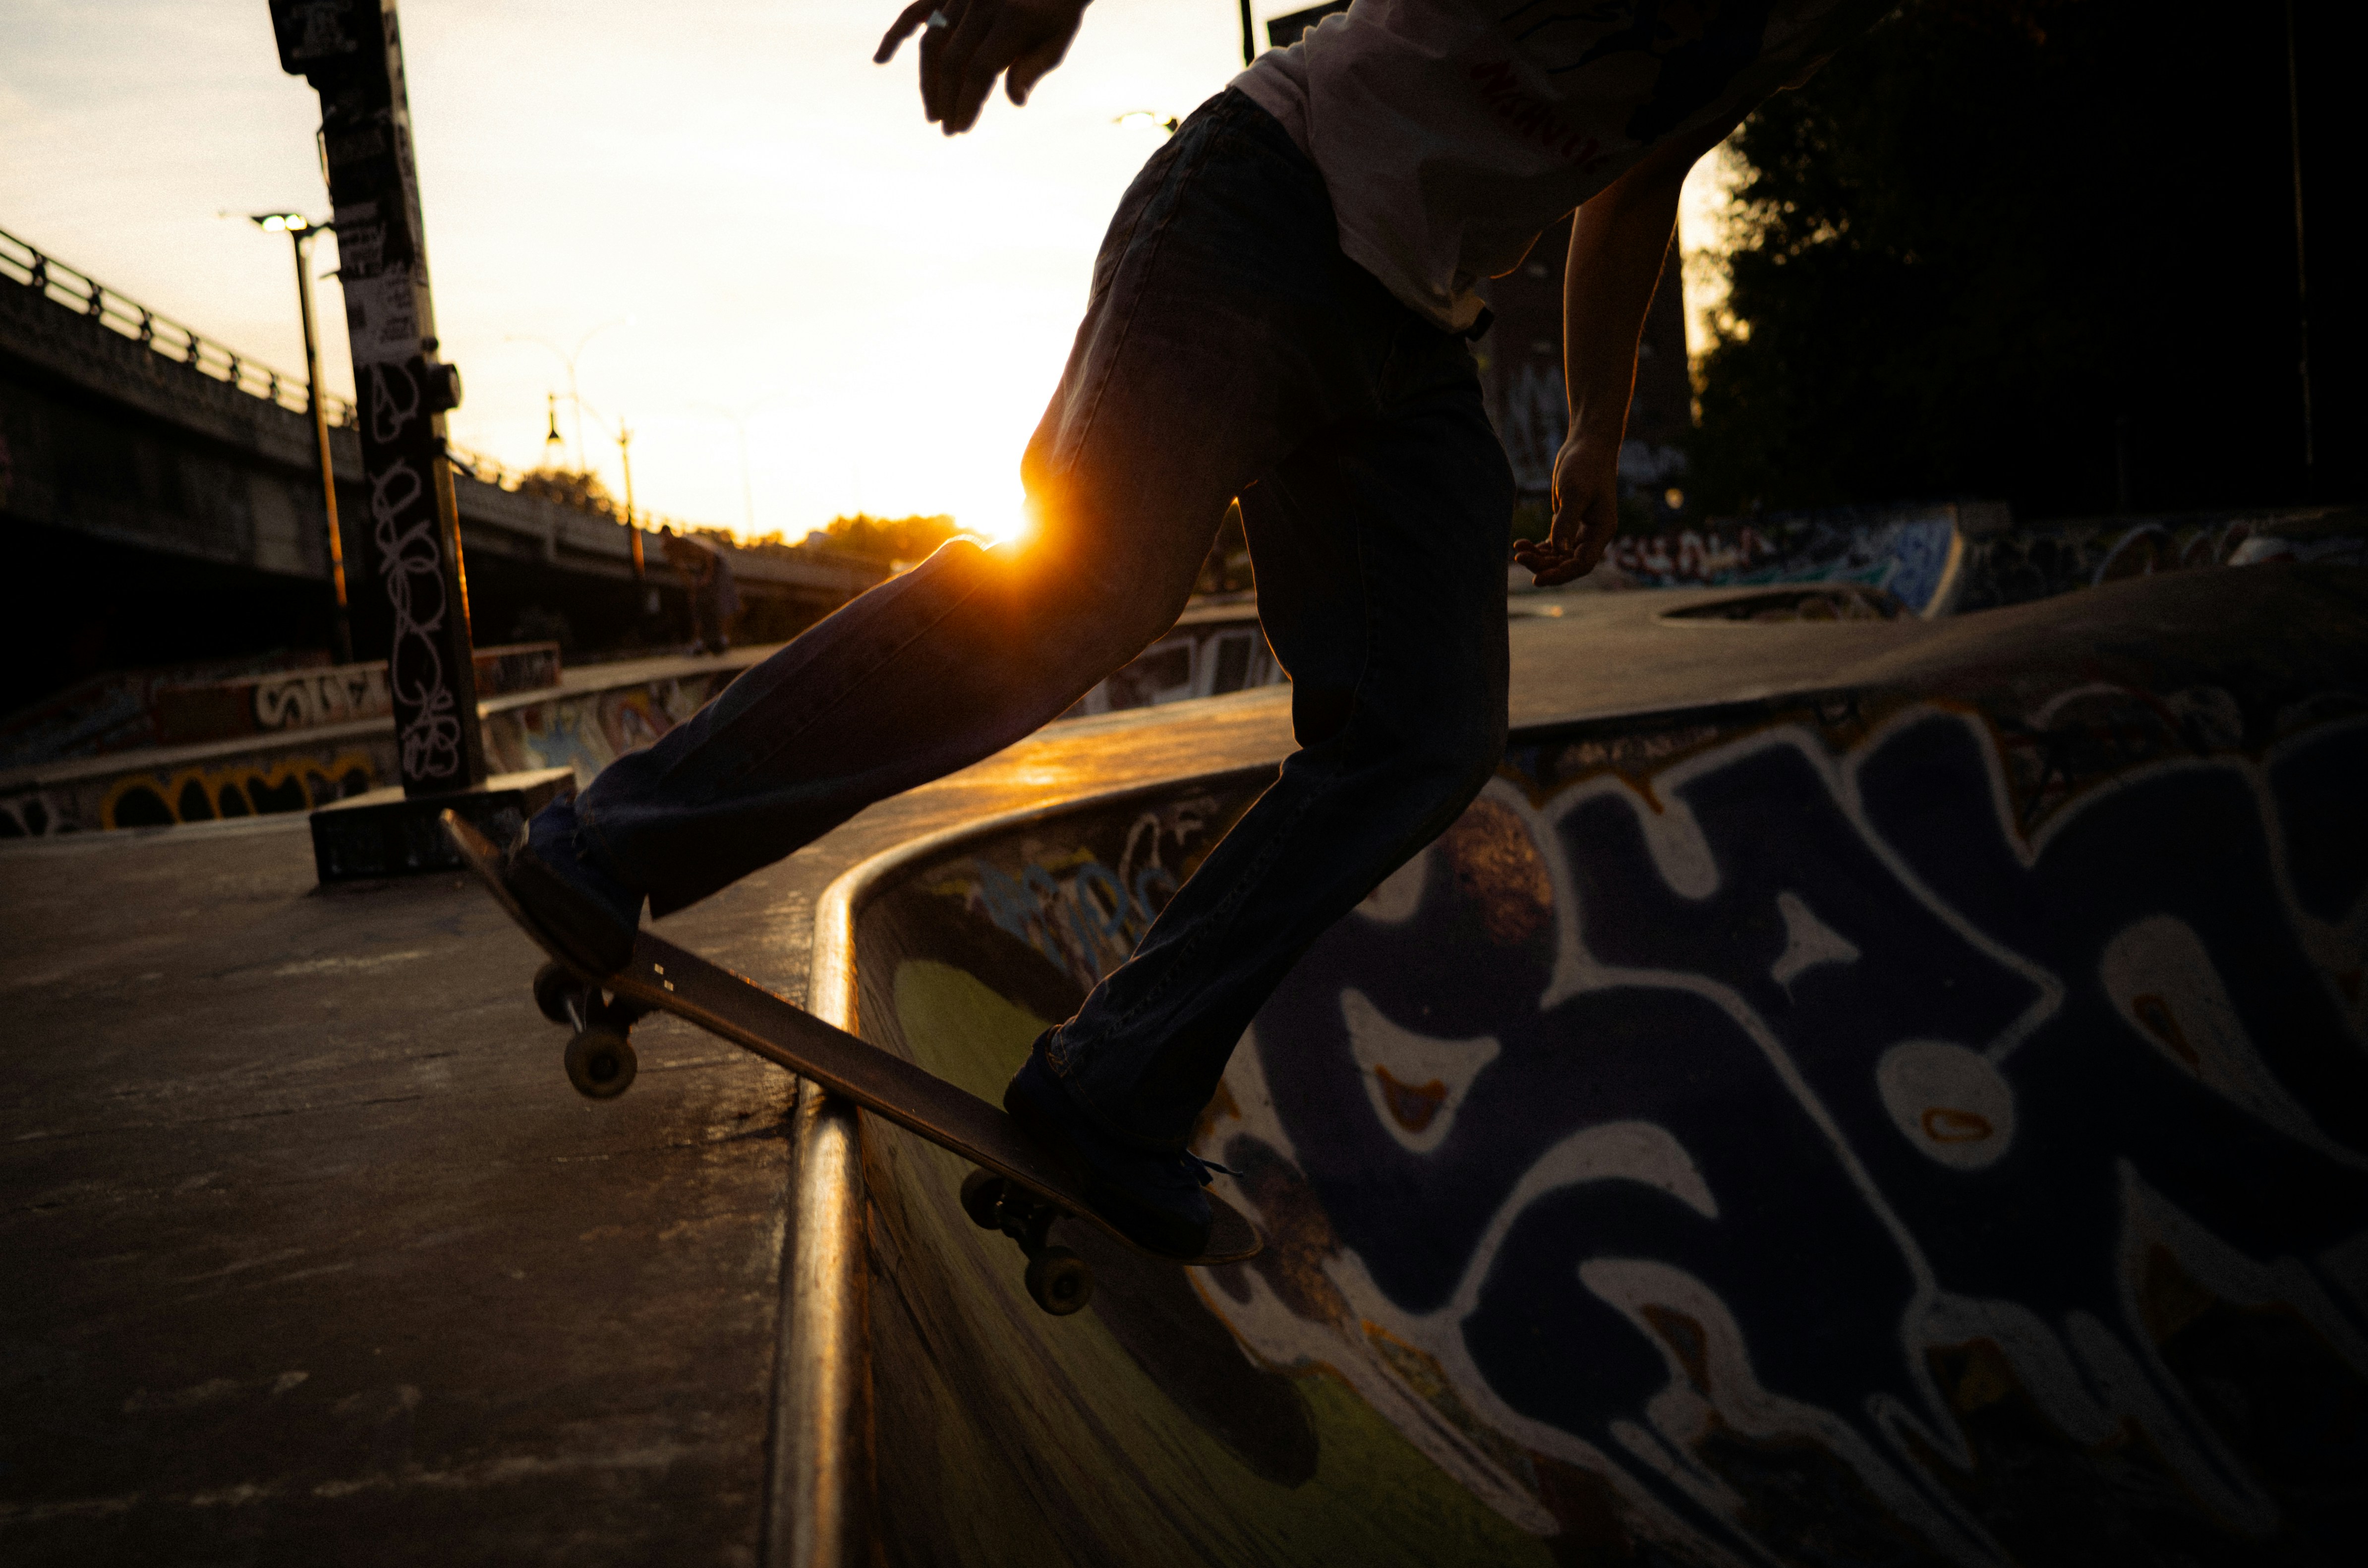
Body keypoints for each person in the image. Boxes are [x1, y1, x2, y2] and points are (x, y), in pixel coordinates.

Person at [505, 0, 1886, 1255]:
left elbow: (1638, 178)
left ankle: (1116, 1082)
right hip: (1263, 206)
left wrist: (1594, 420)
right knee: (1091, 587)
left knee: (1426, 731)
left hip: (1411, 339)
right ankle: (614, 837)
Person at [659, 526, 739, 655]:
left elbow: (709, 555)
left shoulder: (685, 542)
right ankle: (700, 642)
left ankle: (724, 640)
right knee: (698, 604)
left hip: (717, 562)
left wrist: (707, 579)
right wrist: (692, 589)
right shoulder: (667, 550)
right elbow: (681, 571)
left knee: (723, 600)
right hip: (702, 568)